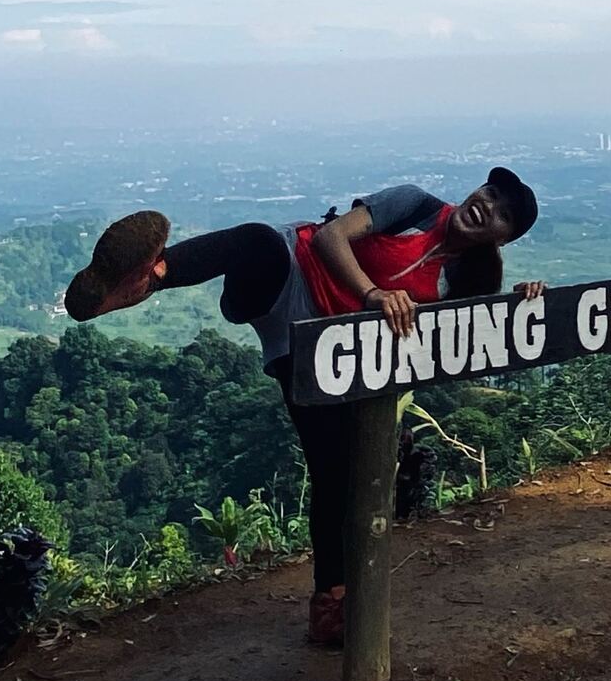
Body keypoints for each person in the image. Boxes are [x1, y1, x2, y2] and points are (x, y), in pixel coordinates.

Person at [63, 168, 543, 646]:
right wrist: (373, 294)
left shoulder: (471, 274)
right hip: (290, 275)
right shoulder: (414, 205)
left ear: (504, 239)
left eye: (503, 215)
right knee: (258, 241)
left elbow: (469, 335)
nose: (488, 206)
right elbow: (332, 237)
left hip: (325, 351)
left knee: (332, 469)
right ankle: (144, 278)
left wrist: (522, 303)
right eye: (491, 193)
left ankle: (330, 604)